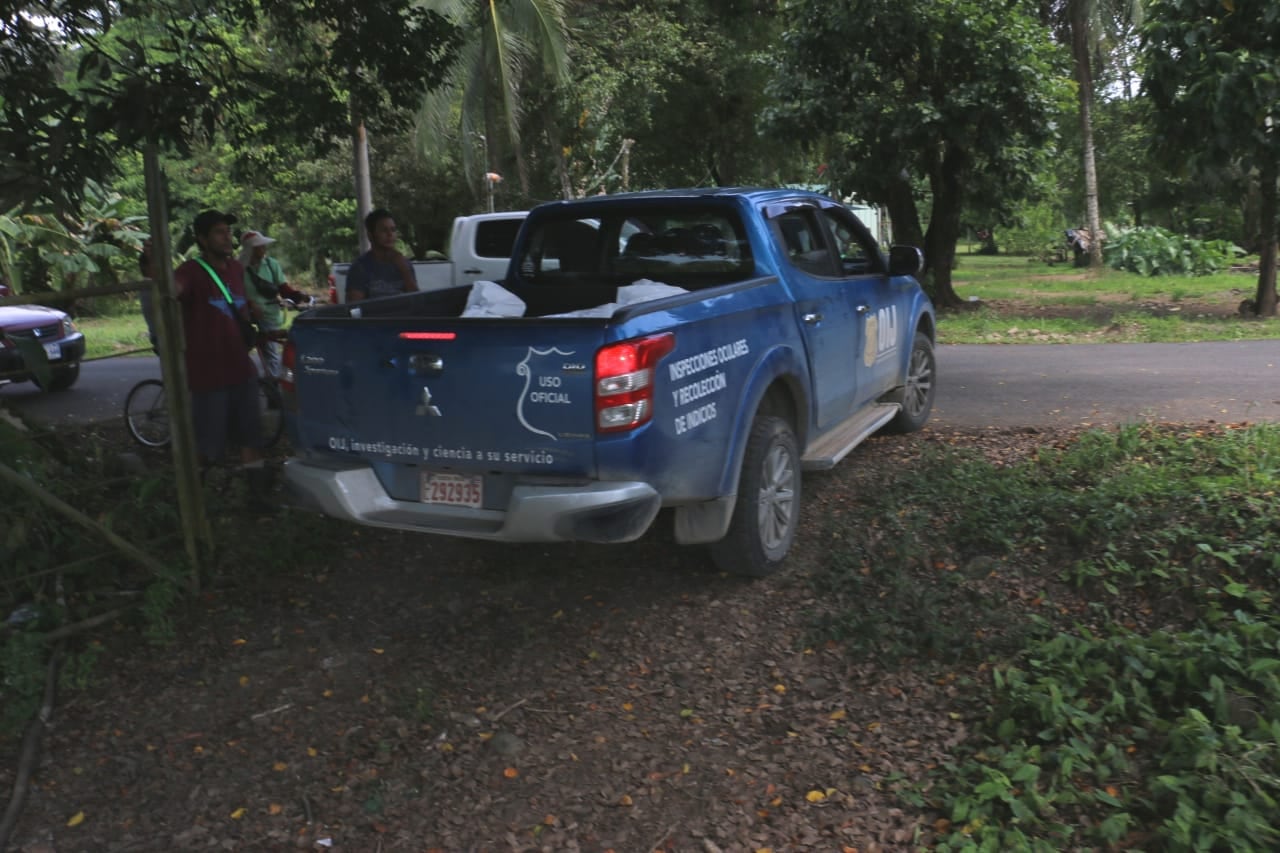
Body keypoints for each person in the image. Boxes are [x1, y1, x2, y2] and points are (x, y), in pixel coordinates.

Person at [174, 209, 270, 504]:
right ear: (202, 239)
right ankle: (192, 505)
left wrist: (251, 312)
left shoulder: (237, 270)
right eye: (219, 232)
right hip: (208, 373)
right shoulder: (190, 271)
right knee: (207, 445)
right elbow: (171, 291)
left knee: (250, 439)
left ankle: (257, 498)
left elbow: (240, 305)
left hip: (241, 369)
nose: (227, 237)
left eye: (228, 232)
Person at [238, 229, 289, 377]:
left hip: (269, 314)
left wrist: (298, 296)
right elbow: (233, 292)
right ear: (251, 249)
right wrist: (250, 303)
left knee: (271, 353)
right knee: (243, 350)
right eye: (260, 246)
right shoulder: (238, 269)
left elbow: (284, 288)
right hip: (246, 317)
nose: (264, 248)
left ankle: (272, 385)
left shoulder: (271, 264)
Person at [345, 208, 417, 302]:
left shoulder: (405, 264)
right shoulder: (359, 268)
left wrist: (404, 270)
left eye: (393, 230)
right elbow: (354, 309)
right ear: (370, 235)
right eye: (384, 230)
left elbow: (417, 302)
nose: (390, 234)